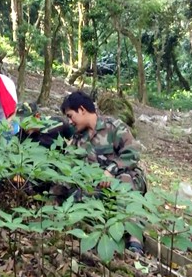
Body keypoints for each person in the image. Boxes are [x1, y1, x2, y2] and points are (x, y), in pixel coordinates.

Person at [60, 90, 147, 254]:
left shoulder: (113, 127)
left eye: (71, 116)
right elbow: (69, 170)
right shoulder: (78, 139)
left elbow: (133, 153)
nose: (70, 121)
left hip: (126, 179)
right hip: (98, 186)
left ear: (82, 110)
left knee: (125, 179)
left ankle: (135, 239)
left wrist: (110, 170)